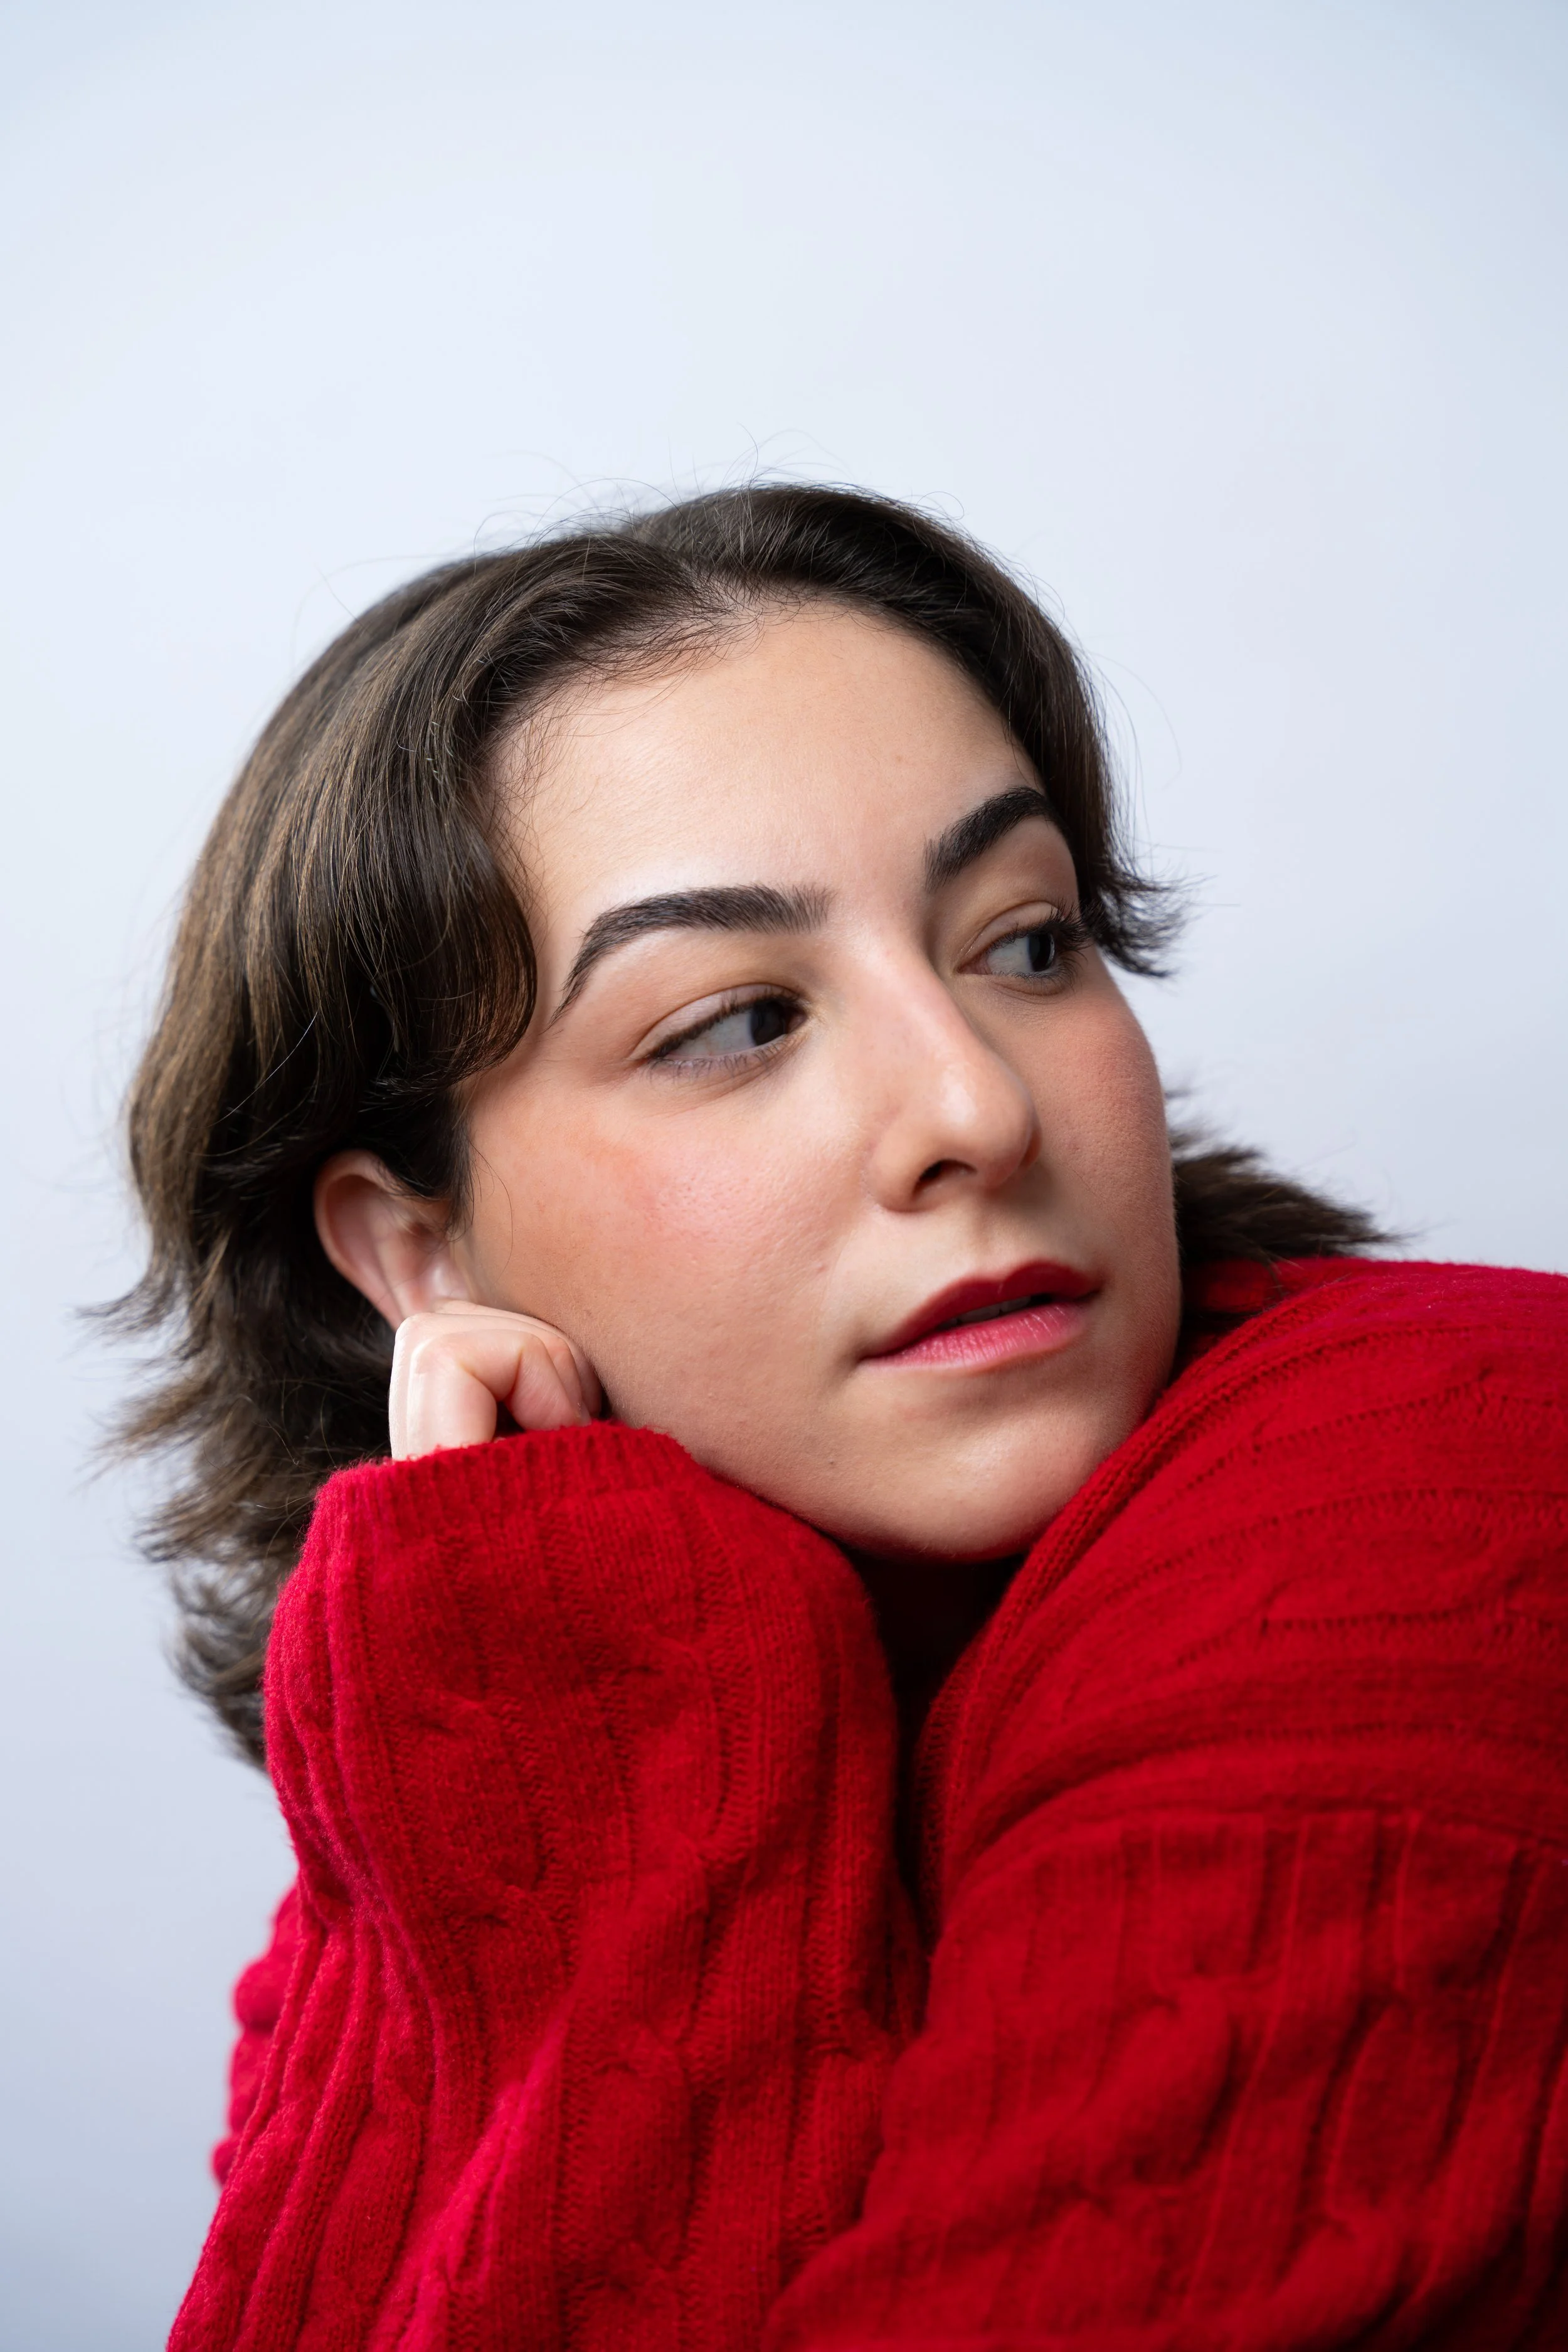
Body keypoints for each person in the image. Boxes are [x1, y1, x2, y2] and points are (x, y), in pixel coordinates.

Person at [115, 487, 1568, 2349]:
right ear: (418, 1250)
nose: (976, 1106)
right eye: (737, 1021)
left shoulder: (1420, 1487)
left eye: (1024, 941)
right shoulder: (491, 1728)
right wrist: (605, 1705)